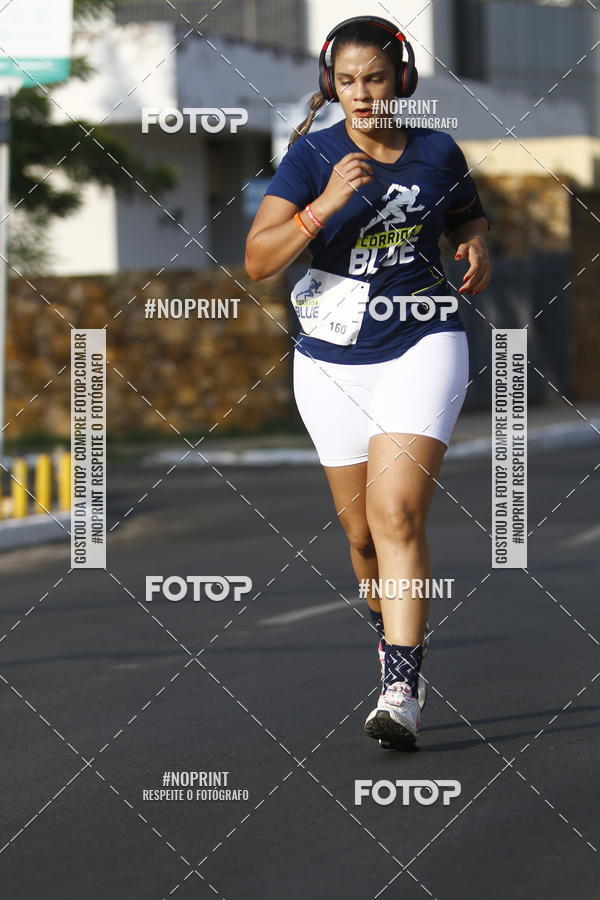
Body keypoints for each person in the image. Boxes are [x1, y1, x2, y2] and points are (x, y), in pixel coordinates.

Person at [244, 15, 491, 750]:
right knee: (360, 535)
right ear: (331, 84)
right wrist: (323, 205)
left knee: (397, 515)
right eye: (348, 81)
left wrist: (475, 244)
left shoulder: (438, 151)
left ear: (402, 80)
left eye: (375, 79)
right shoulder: (312, 157)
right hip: (331, 359)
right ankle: (388, 636)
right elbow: (258, 260)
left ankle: (402, 690)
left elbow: (466, 217)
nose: (361, 93)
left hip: (424, 340)